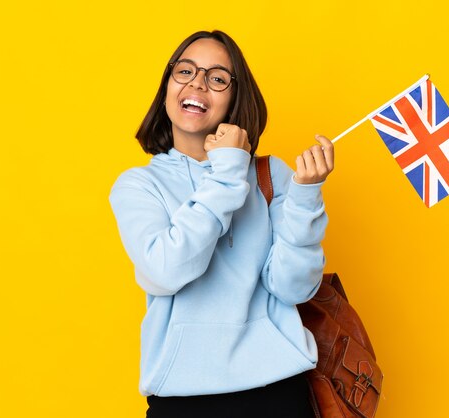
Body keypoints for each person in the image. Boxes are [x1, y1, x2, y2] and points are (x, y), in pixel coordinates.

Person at [109, 30, 334, 418]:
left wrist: (305, 197)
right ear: (167, 86)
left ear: (234, 97)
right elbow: (165, 271)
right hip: (182, 399)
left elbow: (292, 287)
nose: (197, 83)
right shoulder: (138, 185)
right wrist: (227, 173)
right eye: (185, 71)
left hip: (277, 392)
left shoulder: (270, 175)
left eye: (216, 78)